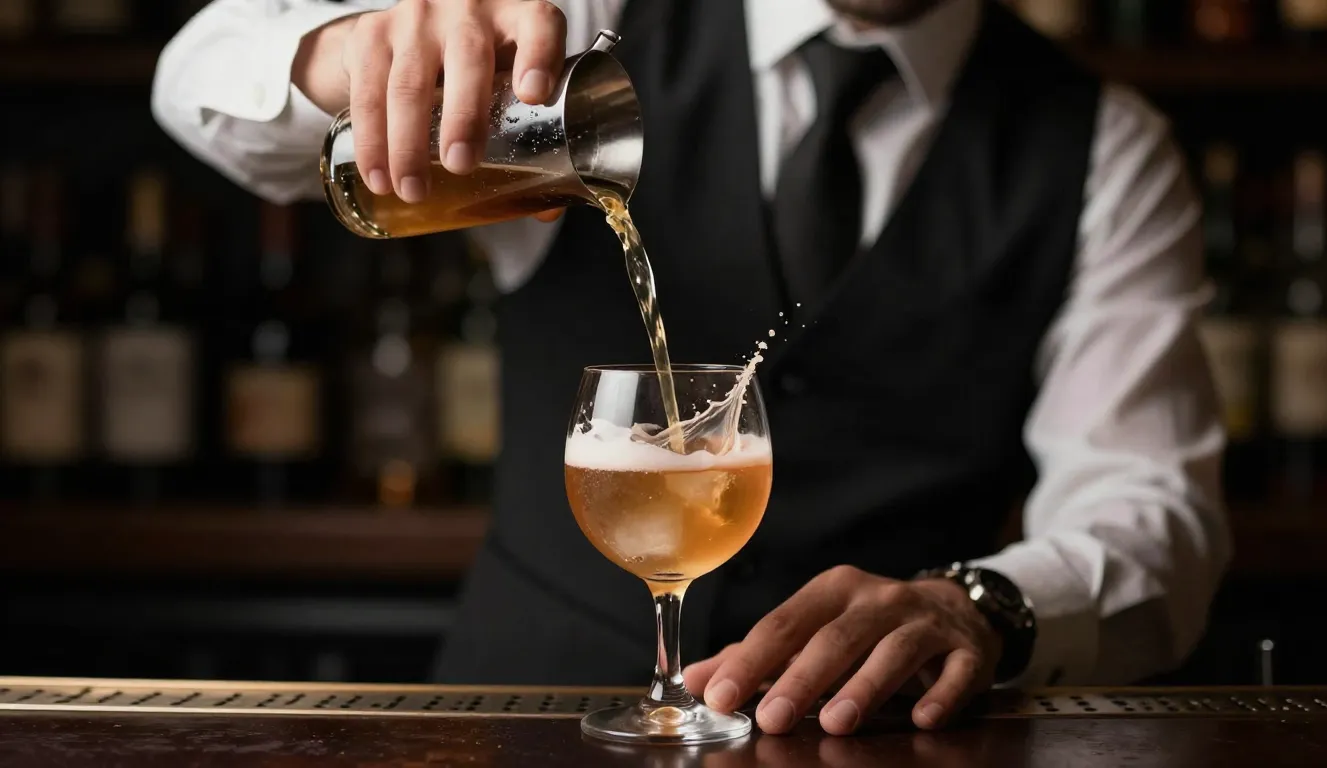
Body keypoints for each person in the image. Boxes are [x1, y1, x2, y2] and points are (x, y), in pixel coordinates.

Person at [152, 0, 1231, 737]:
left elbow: (1154, 514)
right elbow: (200, 68)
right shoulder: (588, 25)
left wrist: (984, 606)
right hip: (529, 723)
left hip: (873, 742)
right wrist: (348, 51)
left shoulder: (1103, 146)